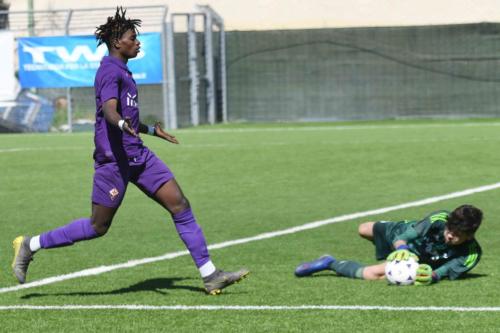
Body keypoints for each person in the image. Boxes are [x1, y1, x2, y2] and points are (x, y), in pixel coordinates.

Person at [11, 7, 249, 295]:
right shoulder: (109, 71)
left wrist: (150, 130)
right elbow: (110, 111)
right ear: (117, 43)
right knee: (98, 226)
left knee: (180, 205)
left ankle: (210, 275)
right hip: (113, 162)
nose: (137, 42)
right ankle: (30, 244)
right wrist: (122, 122)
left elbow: (126, 118)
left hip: (139, 156)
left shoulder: (124, 71)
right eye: (132, 38)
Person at [294, 204, 483, 285]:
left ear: (470, 235)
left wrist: (430, 276)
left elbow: (439, 274)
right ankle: (390, 256)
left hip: (420, 258)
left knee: (373, 274)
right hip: (402, 232)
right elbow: (403, 238)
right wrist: (401, 249)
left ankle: (330, 262)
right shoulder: (438, 218)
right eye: (449, 230)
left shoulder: (471, 253)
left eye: (456, 235)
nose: (449, 236)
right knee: (363, 228)